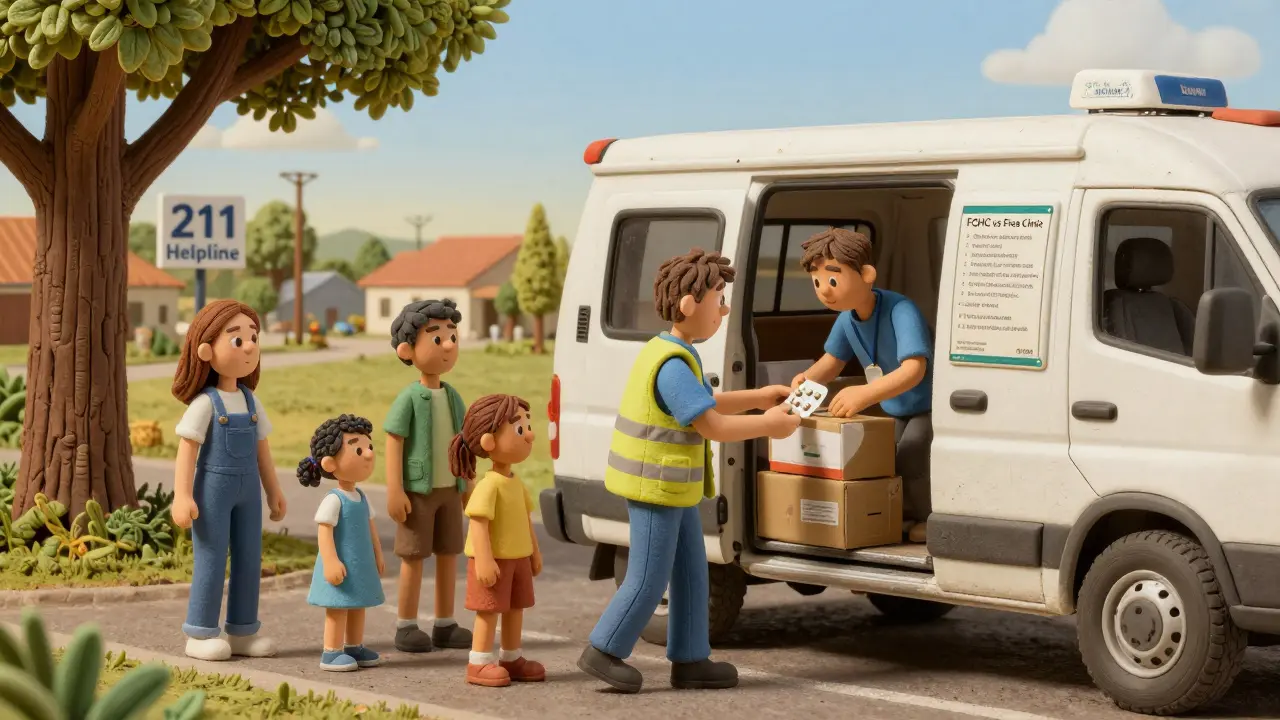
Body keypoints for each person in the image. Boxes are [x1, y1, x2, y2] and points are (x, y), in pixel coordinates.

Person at [578, 248, 801, 694]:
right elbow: (712, 426)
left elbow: (707, 404)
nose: (723, 308)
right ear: (687, 304)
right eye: (718, 298)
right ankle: (603, 650)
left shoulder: (675, 351)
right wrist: (770, 425)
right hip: (654, 488)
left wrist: (757, 396)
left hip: (674, 489)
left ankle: (691, 657)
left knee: (691, 573)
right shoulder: (673, 365)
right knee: (648, 575)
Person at [791, 227, 934, 543]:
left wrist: (864, 393)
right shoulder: (847, 318)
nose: (824, 290)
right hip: (895, 409)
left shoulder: (901, 310)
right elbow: (832, 362)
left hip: (928, 407)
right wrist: (806, 380)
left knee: (913, 454)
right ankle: (897, 516)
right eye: (817, 282)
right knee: (883, 459)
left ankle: (927, 519)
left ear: (866, 274)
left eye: (832, 279)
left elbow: (914, 369)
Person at [170, 299, 287, 661]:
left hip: (249, 491)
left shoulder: (251, 402)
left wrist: (274, 491)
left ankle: (242, 629)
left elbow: (262, 451)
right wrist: (182, 496)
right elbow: (187, 450)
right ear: (206, 351)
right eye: (237, 340)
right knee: (211, 557)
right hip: (213, 492)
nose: (250, 345)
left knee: (250, 558)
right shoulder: (205, 404)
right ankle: (200, 631)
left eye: (254, 337)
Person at [384, 299, 473, 653]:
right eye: (438, 339)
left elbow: (464, 444)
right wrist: (394, 490)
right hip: (417, 492)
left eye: (453, 336)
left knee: (449, 555)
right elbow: (393, 441)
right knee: (414, 557)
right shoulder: (408, 398)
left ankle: (445, 622)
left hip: (450, 490)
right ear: (407, 350)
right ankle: (406, 625)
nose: (450, 345)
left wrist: (468, 484)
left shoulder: (453, 397)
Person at [451, 394, 545, 687]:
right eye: (520, 429)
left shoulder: (515, 483)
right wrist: (485, 559)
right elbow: (478, 523)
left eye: (527, 426)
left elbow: (526, 519)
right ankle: (478, 662)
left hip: (518, 559)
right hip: (492, 561)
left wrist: (534, 552)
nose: (530, 434)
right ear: (490, 442)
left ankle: (511, 657)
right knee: (489, 610)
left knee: (516, 608)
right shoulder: (488, 486)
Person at [300, 414, 386, 672]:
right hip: (340, 565)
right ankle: (331, 651)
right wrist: (330, 561)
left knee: (358, 605)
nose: (369, 454)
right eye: (358, 449)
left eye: (369, 447)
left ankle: (354, 646)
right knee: (338, 607)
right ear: (329, 463)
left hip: (360, 565)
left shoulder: (360, 496)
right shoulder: (334, 499)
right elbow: (324, 532)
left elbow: (371, 529)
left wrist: (378, 555)